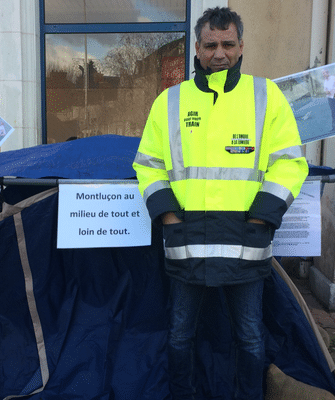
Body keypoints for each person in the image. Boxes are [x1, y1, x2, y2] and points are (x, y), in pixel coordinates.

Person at [132, 7, 308, 400]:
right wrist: (170, 216)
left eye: (228, 44)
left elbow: (290, 162)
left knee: (249, 337)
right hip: (186, 243)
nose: (219, 53)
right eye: (211, 45)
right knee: (179, 336)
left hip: (246, 243)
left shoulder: (266, 96)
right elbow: (148, 164)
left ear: (241, 46)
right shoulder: (169, 102)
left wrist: (263, 219)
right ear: (197, 48)